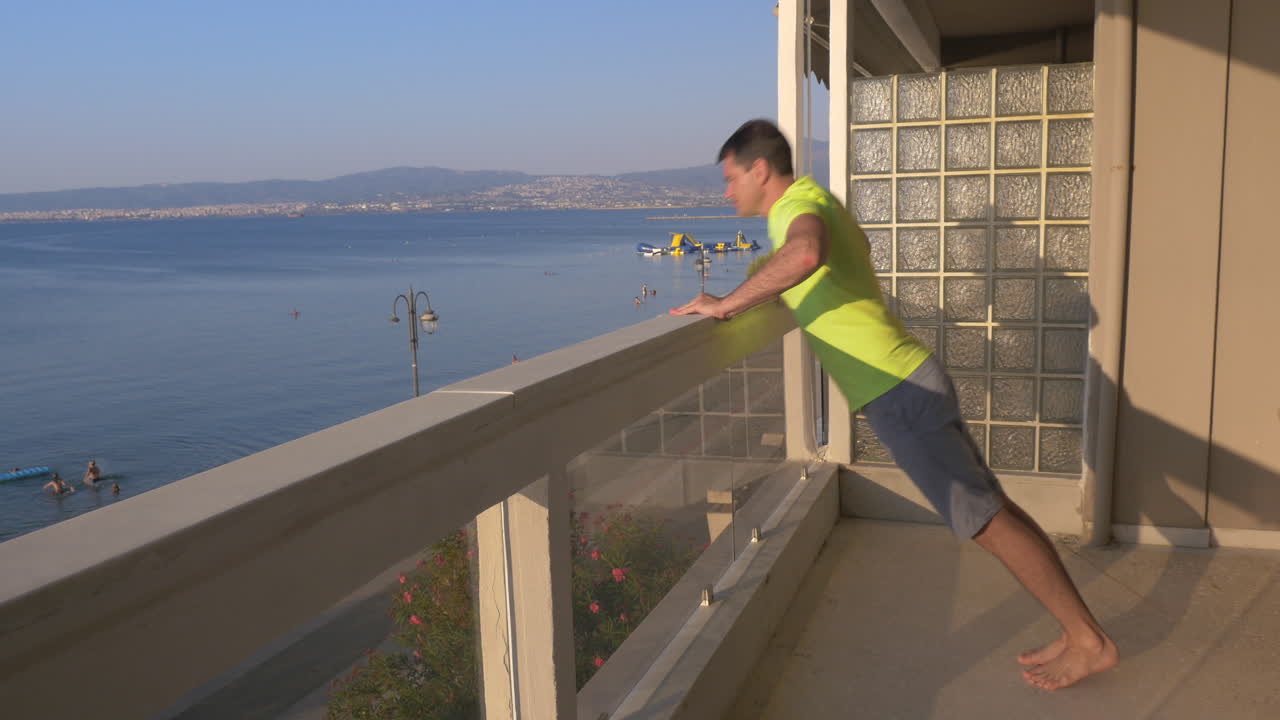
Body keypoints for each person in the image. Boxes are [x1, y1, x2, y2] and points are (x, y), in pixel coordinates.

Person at [670, 119, 1117, 691]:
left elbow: (804, 254)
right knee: (993, 510)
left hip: (899, 392)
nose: (727, 192)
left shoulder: (797, 207)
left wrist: (726, 305)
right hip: (909, 382)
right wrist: (747, 289)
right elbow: (794, 265)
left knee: (985, 520)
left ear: (759, 170)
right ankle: (1078, 631)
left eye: (731, 178)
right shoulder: (815, 202)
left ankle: (1089, 641)